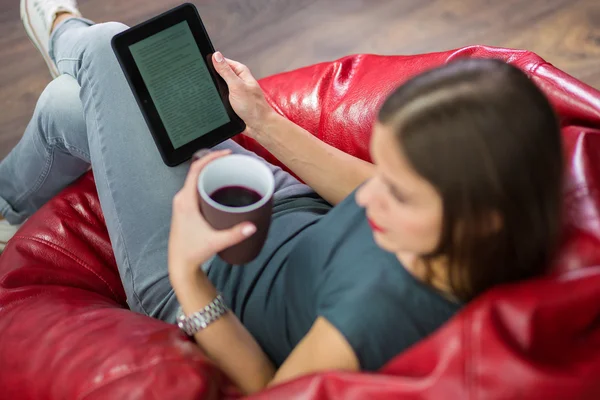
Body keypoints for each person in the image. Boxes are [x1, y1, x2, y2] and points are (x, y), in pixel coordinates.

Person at [0, 0, 564, 394]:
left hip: (197, 274)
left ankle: (63, 34)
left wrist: (185, 272)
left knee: (104, 49)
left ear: (482, 219)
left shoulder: (382, 315)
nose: (372, 199)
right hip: (274, 208)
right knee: (69, 110)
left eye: (398, 192)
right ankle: (7, 208)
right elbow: (365, 189)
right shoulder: (463, 230)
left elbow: (271, 389)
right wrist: (263, 121)